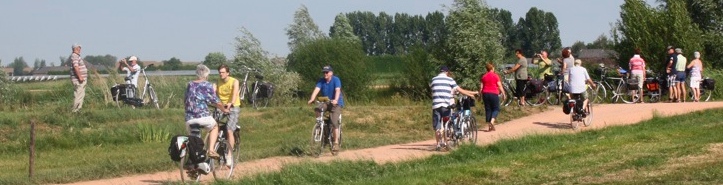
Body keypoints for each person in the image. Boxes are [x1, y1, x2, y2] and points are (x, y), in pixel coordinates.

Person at [184, 64, 229, 159]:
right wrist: (224, 109)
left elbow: (185, 100)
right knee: (214, 126)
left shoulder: (190, 84)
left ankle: (194, 160)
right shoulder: (207, 85)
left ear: (197, 74)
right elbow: (216, 101)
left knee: (194, 140)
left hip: (189, 119)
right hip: (202, 117)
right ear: (206, 75)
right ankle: (211, 150)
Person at [430, 66, 477, 151]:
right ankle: (446, 144)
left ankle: (438, 145)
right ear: (447, 72)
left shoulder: (433, 79)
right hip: (446, 105)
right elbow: (460, 90)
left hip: (436, 106)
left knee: (437, 127)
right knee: (446, 125)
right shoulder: (450, 80)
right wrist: (470, 95)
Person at [307, 65, 344, 155]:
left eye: (326, 72)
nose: (325, 74)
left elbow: (337, 90)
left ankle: (335, 142)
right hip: (326, 102)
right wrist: (312, 98)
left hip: (336, 103)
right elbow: (316, 89)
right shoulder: (321, 81)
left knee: (334, 121)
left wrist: (335, 99)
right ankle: (320, 124)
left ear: (331, 73)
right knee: (317, 108)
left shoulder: (336, 80)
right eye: (324, 72)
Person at [213, 64, 240, 166]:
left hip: (233, 106)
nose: (221, 74)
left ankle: (229, 156)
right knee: (214, 128)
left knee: (229, 131)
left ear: (228, 73)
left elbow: (235, 94)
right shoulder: (217, 82)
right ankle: (216, 151)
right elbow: (213, 91)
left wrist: (231, 103)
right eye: (219, 72)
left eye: (223, 72)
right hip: (221, 106)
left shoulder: (234, 81)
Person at [479, 63, 505, 131]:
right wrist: (504, 94)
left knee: (488, 109)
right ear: (492, 68)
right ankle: (492, 122)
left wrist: (479, 95)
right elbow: (499, 85)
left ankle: (490, 126)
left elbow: (481, 87)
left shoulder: (484, 76)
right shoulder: (495, 76)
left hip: (485, 94)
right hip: (493, 93)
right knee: (496, 109)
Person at [68, 44, 87, 113]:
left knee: (81, 94)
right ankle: (75, 110)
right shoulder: (75, 56)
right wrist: (80, 76)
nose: (80, 49)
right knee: (78, 94)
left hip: (80, 80)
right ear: (75, 48)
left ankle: (78, 109)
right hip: (78, 80)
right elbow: (76, 67)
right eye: (79, 48)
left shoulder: (76, 56)